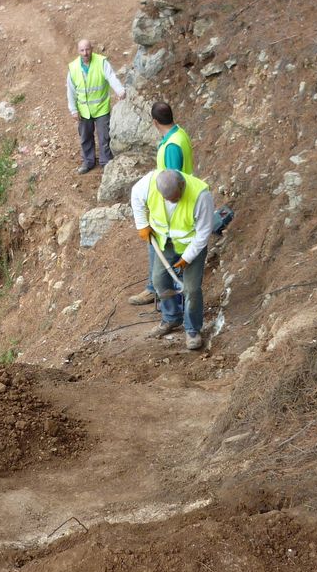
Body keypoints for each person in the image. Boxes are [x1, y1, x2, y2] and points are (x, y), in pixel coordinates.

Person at [130, 168, 213, 351]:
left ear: (182, 185)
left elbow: (204, 233)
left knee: (191, 289)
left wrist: (187, 258)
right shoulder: (150, 183)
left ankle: (192, 330)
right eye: (167, 199)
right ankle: (171, 318)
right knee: (159, 280)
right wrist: (142, 224)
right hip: (165, 243)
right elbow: (136, 195)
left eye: (175, 198)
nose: (171, 201)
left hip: (191, 245)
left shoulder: (201, 196)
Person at [128, 101, 194, 306]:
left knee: (160, 248)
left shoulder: (172, 145)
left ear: (155, 122)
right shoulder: (177, 134)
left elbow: (172, 179)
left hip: (172, 204)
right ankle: (155, 287)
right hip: (171, 200)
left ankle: (157, 290)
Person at [66, 38, 125, 175]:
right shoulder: (73, 68)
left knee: (104, 137)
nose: (85, 53)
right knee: (85, 137)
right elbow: (71, 91)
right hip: (84, 110)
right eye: (82, 50)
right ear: (78, 51)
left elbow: (111, 78)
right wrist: (73, 110)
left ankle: (106, 162)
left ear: (92, 49)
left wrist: (120, 90)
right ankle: (88, 162)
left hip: (101, 108)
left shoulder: (101, 62)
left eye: (87, 49)